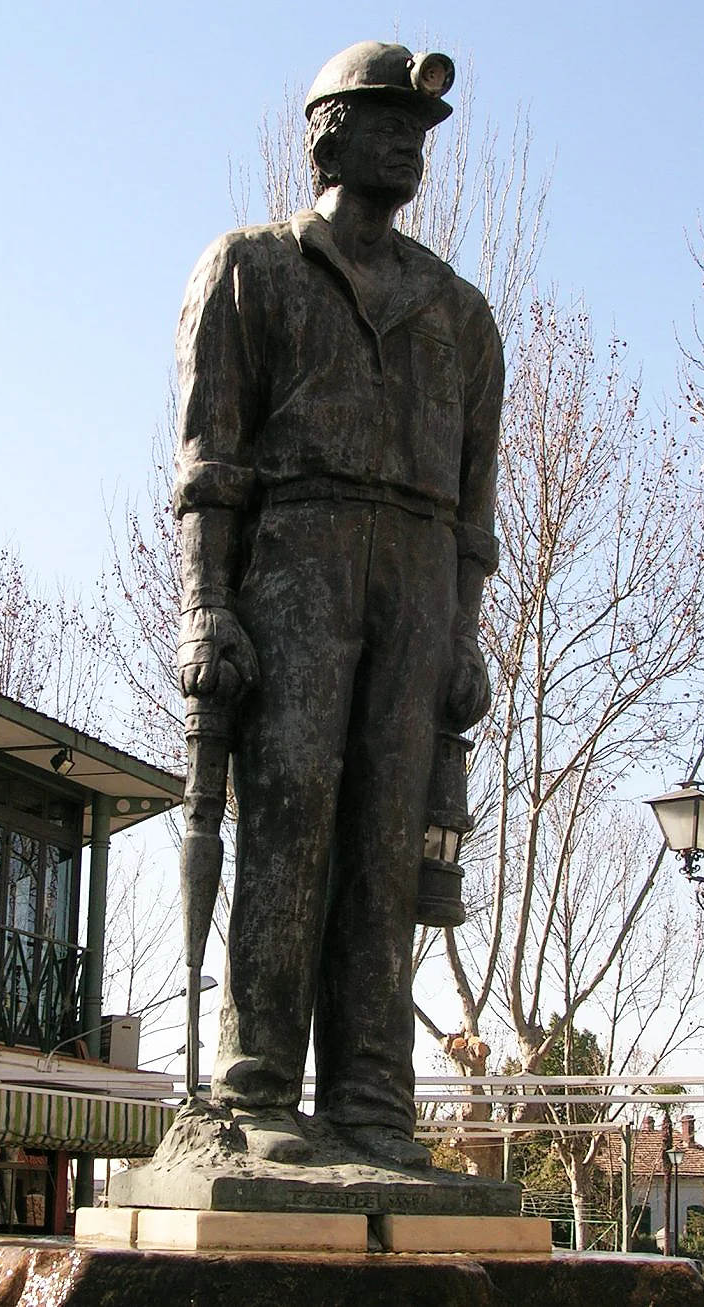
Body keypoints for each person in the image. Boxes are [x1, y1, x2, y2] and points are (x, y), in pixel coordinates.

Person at [174, 41, 504, 1169]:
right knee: (288, 816)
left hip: (414, 574)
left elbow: (474, 507)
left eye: (415, 129)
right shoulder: (249, 269)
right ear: (323, 132)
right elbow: (210, 461)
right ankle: (255, 1086)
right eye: (381, 121)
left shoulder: (460, 315)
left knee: (381, 843)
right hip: (295, 556)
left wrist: (461, 631)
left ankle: (372, 1099)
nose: (406, 142)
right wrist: (205, 605)